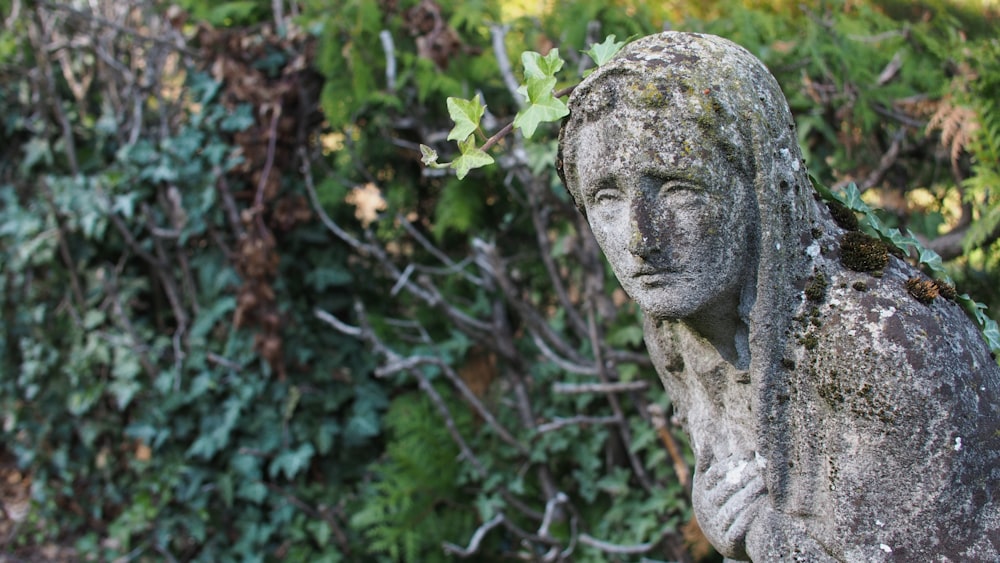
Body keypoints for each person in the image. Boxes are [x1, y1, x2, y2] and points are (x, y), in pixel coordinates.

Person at [558, 31, 1000, 561]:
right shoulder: (679, 324)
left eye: (677, 189)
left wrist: (763, 536)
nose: (641, 239)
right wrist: (720, 512)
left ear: (756, 187)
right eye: (607, 198)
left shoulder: (885, 348)